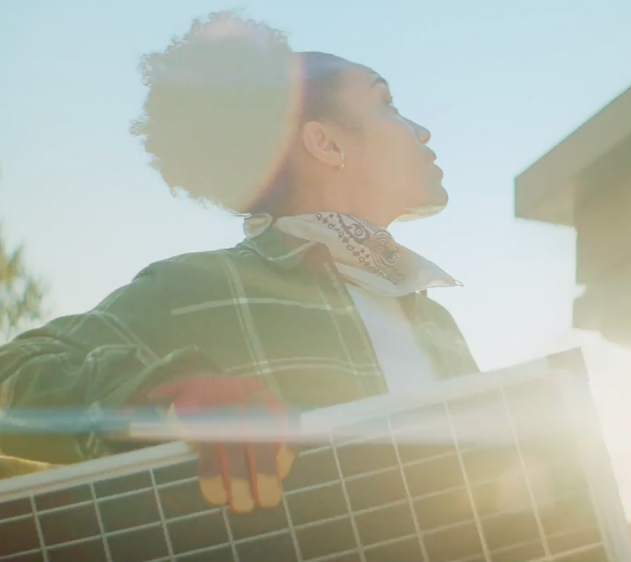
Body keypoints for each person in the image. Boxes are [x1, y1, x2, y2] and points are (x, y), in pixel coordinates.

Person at [0, 10, 479, 513]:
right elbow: (11, 376)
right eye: (388, 104)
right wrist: (165, 396)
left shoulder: (436, 321)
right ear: (326, 142)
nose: (420, 130)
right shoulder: (197, 287)